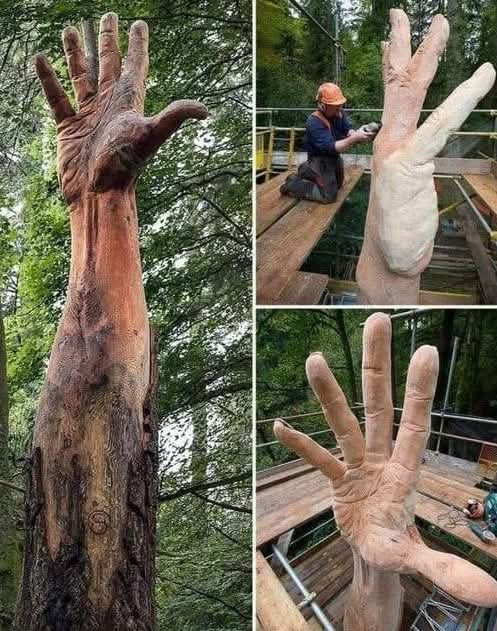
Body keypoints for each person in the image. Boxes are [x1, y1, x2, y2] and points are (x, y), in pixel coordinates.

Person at [280, 82, 374, 203]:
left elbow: (347, 129)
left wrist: (355, 133)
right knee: (329, 196)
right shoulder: (313, 122)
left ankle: (306, 170)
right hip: (319, 160)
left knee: (338, 185)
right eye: (335, 105)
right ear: (322, 105)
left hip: (333, 158)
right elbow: (331, 147)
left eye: (340, 104)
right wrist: (354, 139)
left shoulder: (339, 113)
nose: (339, 108)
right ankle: (293, 184)